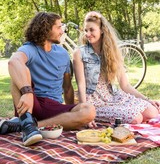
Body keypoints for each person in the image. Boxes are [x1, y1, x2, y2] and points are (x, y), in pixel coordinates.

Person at [0, 12, 96, 146]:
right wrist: (27, 93)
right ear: (45, 29)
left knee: (89, 111)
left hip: (53, 107)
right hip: (31, 105)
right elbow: (13, 62)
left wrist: (72, 112)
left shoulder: (63, 54)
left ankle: (28, 126)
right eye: (58, 27)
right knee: (19, 69)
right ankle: (26, 121)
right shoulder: (30, 49)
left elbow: (67, 88)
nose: (62, 31)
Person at [73, 11, 160, 128]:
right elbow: (81, 85)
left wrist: (147, 99)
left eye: (91, 30)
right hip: (94, 102)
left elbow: (125, 85)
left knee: (152, 111)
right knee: (136, 118)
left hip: (113, 96)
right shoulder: (79, 53)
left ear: (102, 30)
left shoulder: (112, 52)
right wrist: (85, 112)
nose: (88, 34)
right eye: (86, 30)